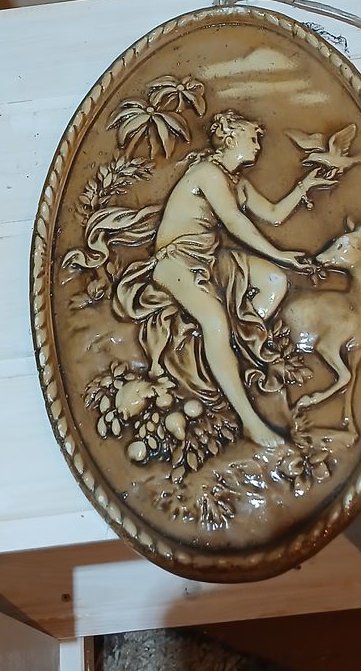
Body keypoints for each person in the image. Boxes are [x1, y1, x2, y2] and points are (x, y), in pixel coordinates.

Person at [115, 111, 336, 447]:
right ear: (231, 138)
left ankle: (231, 348)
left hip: (209, 259)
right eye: (252, 137)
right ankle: (250, 421)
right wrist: (279, 253)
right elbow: (233, 222)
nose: (258, 144)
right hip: (175, 261)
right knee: (215, 323)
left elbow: (273, 214)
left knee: (274, 282)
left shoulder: (237, 183)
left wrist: (306, 184)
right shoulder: (208, 172)